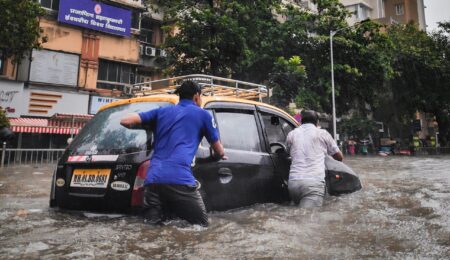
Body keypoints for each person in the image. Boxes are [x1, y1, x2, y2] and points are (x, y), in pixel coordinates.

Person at [120, 81, 225, 226]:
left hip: (153, 181)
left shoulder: (161, 112)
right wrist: (217, 156)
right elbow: (219, 150)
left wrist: (149, 125)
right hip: (180, 180)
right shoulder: (203, 115)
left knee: (151, 229)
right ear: (196, 97)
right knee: (202, 227)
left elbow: (125, 121)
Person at [286, 110, 343, 208]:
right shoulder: (322, 134)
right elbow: (339, 157)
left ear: (301, 122)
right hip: (313, 185)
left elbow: (288, 153)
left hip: (293, 183)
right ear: (317, 122)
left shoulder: (292, 134)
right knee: (308, 219)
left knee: (296, 216)